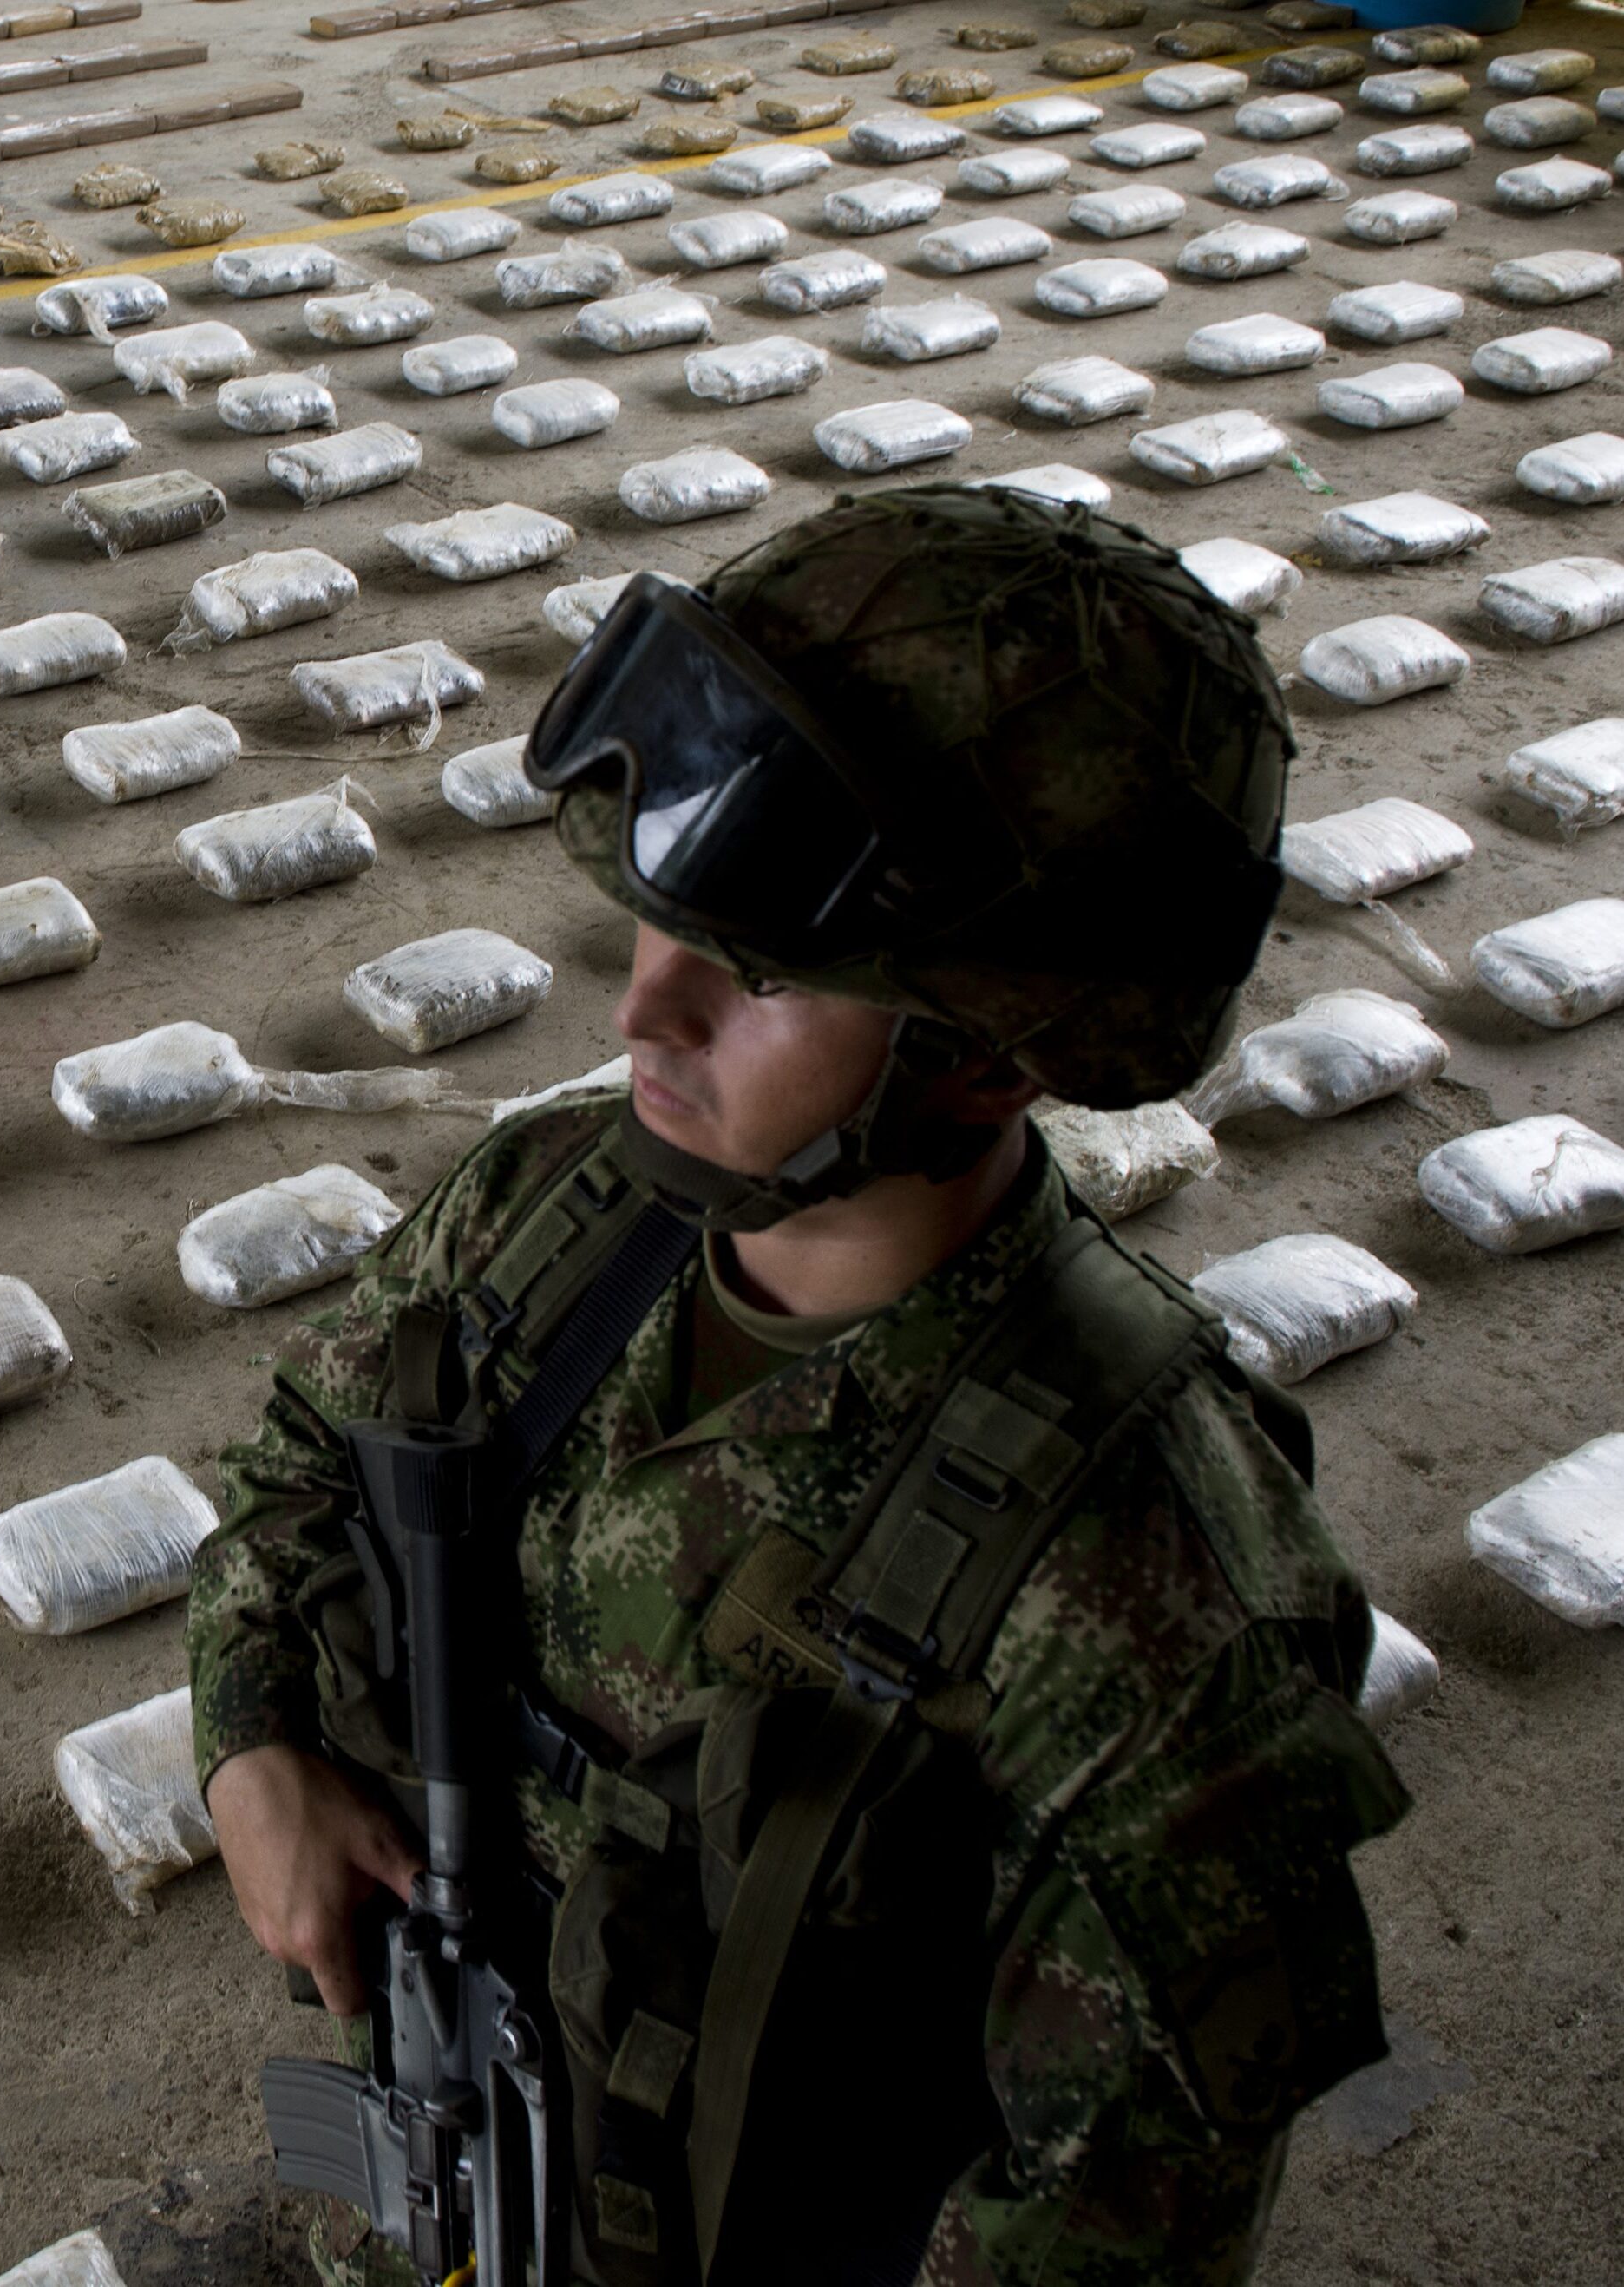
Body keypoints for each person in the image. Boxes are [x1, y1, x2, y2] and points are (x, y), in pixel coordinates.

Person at [187, 485, 1410, 2286]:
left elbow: (1105, 2229)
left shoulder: (1146, 1610)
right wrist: (253, 1748)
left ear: (986, 1064)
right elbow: (306, 1464)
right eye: (664, 923)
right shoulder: (553, 1215)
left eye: (759, 973)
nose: (643, 1014)